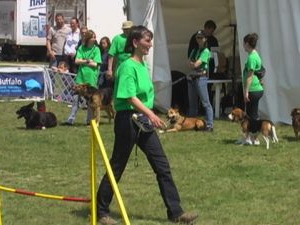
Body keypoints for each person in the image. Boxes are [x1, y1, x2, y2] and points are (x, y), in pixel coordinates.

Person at [96, 25, 198, 225]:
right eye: (147, 40)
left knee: (162, 166)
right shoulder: (127, 66)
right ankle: (101, 212)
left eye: (151, 40)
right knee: (117, 165)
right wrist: (152, 114)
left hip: (143, 121)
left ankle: (176, 213)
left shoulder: (143, 66)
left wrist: (149, 114)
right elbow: (130, 97)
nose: (150, 44)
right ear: (135, 42)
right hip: (128, 120)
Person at [62, 30, 101, 125]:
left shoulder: (96, 49)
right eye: (92, 37)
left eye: (95, 37)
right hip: (81, 78)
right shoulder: (81, 48)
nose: (94, 39)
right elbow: (76, 61)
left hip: (91, 78)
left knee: (90, 101)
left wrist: (83, 61)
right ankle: (71, 119)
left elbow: (96, 64)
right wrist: (88, 61)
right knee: (76, 98)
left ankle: (89, 121)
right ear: (88, 38)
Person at [187, 30, 214, 132]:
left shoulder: (206, 51)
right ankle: (192, 123)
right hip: (193, 78)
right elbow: (189, 63)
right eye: (197, 37)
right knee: (192, 102)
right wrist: (193, 64)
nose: (199, 39)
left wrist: (193, 64)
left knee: (205, 102)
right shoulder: (194, 50)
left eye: (201, 37)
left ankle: (210, 124)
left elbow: (195, 64)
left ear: (205, 39)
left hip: (201, 78)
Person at [241, 33, 264, 145]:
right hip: (256, 89)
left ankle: (255, 138)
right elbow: (260, 71)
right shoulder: (256, 55)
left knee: (252, 115)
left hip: (253, 89)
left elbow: (250, 76)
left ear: (246, 44)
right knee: (251, 114)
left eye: (243, 44)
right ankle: (249, 137)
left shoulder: (251, 57)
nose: (243, 46)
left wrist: (246, 91)